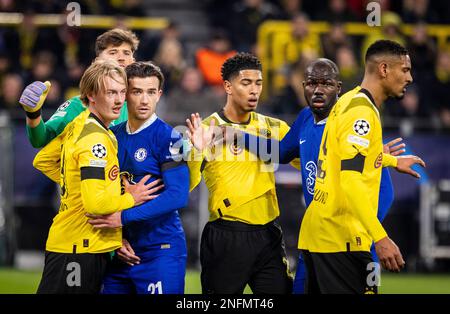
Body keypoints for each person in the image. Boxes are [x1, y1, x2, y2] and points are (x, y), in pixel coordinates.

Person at [298, 40, 425, 294]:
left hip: (319, 235)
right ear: (384, 69)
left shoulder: (348, 101)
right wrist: (381, 237)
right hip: (341, 240)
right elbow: (351, 180)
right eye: (405, 70)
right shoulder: (362, 114)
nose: (409, 77)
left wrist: (390, 160)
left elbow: (342, 156)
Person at [32, 60, 158, 294]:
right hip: (80, 248)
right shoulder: (95, 140)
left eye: (122, 92)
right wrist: (131, 197)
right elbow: (96, 204)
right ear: (90, 94)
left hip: (76, 243)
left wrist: (81, 185)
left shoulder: (80, 125)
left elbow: (43, 160)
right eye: (110, 92)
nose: (119, 100)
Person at [186, 52, 293, 294]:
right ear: (228, 86)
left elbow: (312, 158)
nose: (254, 90)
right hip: (227, 235)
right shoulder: (207, 129)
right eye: (246, 83)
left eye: (258, 83)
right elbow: (187, 186)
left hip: (269, 235)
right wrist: (195, 150)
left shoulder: (274, 127)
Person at [85, 61, 190, 294]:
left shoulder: (170, 138)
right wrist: (117, 238)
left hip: (160, 250)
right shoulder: (110, 136)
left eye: (151, 92)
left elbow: (178, 196)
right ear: (125, 95)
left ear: (159, 94)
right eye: (137, 92)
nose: (144, 100)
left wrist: (123, 217)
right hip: (120, 251)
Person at [19, 28, 139, 148]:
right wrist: (33, 114)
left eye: (126, 53)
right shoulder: (79, 105)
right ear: (97, 62)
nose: (121, 57)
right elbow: (41, 140)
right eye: (113, 52)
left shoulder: (140, 107)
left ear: (133, 61)